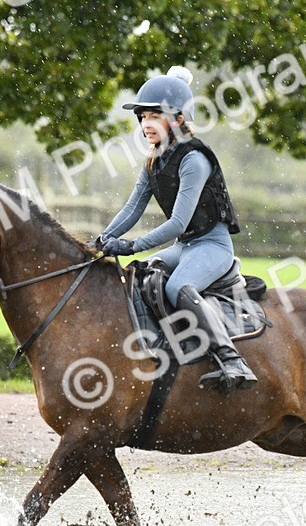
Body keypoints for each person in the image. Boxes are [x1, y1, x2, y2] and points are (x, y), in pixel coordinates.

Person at [95, 66, 257, 393]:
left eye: (154, 117)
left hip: (213, 247)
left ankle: (231, 359)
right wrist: (102, 239)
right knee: (142, 274)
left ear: (179, 119)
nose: (145, 125)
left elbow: (177, 224)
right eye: (142, 118)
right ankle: (163, 347)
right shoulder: (155, 159)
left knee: (176, 286)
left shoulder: (194, 160)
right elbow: (132, 208)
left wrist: (131, 245)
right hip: (185, 247)